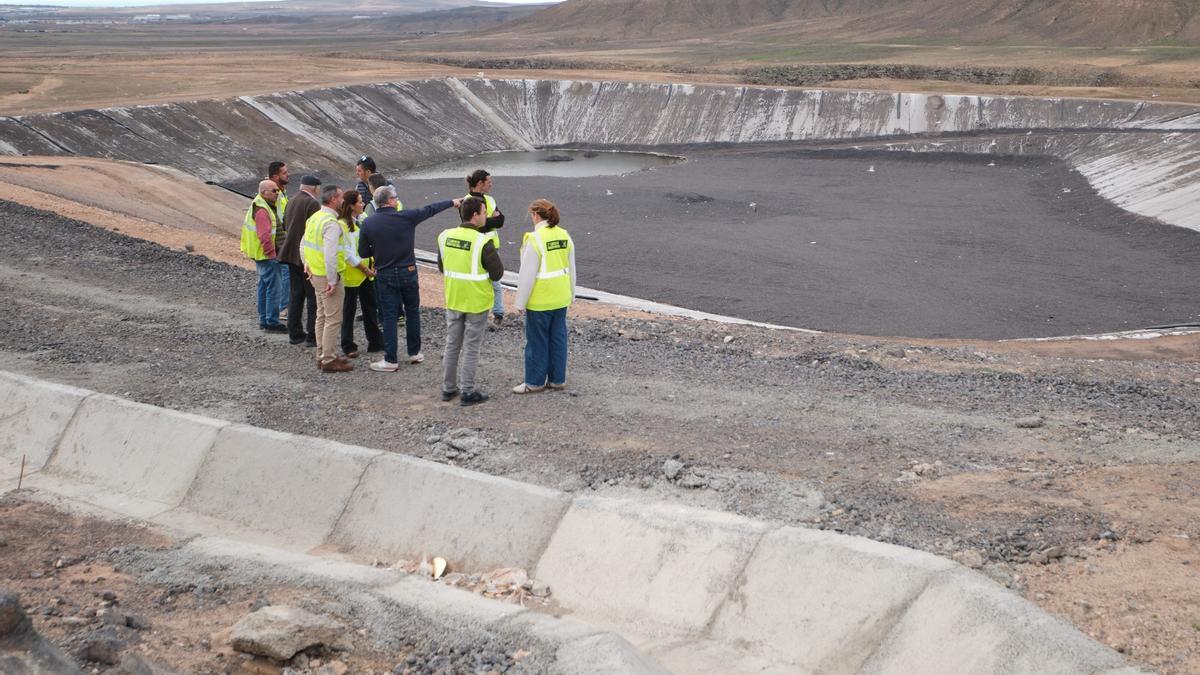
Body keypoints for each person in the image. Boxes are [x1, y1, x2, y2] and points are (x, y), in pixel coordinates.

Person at [358, 185, 460, 372]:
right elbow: (430, 209)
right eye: (395, 198)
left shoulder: (368, 223)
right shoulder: (406, 217)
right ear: (389, 201)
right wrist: (452, 202)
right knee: (412, 311)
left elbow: (363, 251)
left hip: (385, 272)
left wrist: (378, 250)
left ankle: (391, 359)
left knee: (389, 316)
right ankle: (414, 353)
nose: (397, 200)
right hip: (408, 270)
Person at [437, 197, 504, 405]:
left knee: (452, 344)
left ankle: (448, 388)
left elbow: (442, 267)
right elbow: (497, 273)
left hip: (454, 298)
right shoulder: (483, 242)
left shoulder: (445, 236)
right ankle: (467, 391)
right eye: (484, 212)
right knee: (472, 347)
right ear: (475, 215)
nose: (487, 216)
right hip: (476, 301)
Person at [512, 198, 576, 394]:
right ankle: (557, 379)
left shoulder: (535, 239)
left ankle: (534, 382)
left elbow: (527, 275)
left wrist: (520, 302)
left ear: (536, 215)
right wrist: (571, 294)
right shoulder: (564, 235)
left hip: (540, 300)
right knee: (558, 338)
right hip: (560, 297)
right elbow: (571, 268)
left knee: (537, 341)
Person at [301, 184, 352, 373]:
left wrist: (306, 262)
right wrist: (332, 280)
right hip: (327, 276)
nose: (343, 201)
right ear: (333, 200)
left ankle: (322, 354)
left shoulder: (315, 218)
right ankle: (329, 359)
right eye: (340, 197)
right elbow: (330, 254)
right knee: (333, 318)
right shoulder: (331, 223)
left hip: (315, 273)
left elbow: (303, 243)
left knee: (321, 315)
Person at [335, 191, 383, 358]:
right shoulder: (341, 225)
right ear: (351, 206)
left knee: (370, 307)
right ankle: (348, 344)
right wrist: (364, 268)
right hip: (353, 274)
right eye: (360, 202)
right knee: (349, 310)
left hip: (366, 272)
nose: (363, 204)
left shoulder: (361, 220)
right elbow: (347, 253)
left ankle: (375, 341)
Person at [239, 179, 287, 332]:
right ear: (264, 192)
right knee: (274, 288)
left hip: (261, 255)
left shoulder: (262, 204)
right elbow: (265, 236)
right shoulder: (262, 210)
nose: (277, 193)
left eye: (277, 190)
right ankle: (272, 321)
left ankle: (264, 319)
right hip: (266, 256)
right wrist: (272, 254)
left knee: (264, 286)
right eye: (274, 191)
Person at [280, 175, 322, 347]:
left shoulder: (291, 200)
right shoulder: (312, 204)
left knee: (296, 294)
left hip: (290, 254)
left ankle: (294, 332)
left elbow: (284, 224)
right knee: (312, 297)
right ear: (314, 188)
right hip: (305, 256)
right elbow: (316, 230)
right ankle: (312, 335)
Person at [464, 169, 506, 329]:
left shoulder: (490, 199)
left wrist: (484, 221)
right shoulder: (467, 200)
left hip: (492, 245)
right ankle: (478, 312)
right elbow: (471, 224)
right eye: (489, 181)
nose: (491, 184)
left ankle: (498, 313)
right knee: (477, 279)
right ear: (480, 183)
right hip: (476, 245)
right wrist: (491, 219)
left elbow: (501, 220)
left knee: (495, 280)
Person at [267, 161, 290, 318]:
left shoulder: (282, 192)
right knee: (285, 272)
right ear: (275, 176)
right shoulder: (273, 194)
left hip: (282, 239)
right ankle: (283, 308)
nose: (288, 175)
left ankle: (281, 307)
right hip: (278, 241)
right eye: (284, 173)